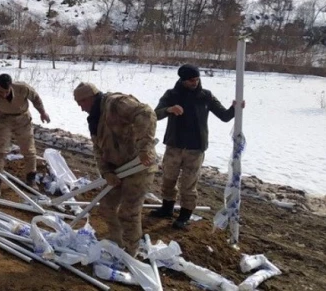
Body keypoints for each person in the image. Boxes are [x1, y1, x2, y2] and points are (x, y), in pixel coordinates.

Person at [151, 64, 244, 229]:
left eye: (197, 79)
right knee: (168, 179)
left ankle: (185, 216)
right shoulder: (171, 94)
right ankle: (166, 208)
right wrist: (170, 109)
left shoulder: (205, 96)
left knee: (189, 183)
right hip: (174, 146)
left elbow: (224, 116)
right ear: (183, 80)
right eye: (191, 80)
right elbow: (154, 115)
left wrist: (235, 109)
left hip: (196, 148)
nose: (195, 82)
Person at [73, 82, 157, 256]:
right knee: (107, 206)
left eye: (81, 104)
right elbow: (98, 149)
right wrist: (106, 172)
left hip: (138, 166)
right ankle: (116, 243)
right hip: (117, 169)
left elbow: (146, 114)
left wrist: (144, 147)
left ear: (89, 98)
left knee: (128, 213)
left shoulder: (116, 103)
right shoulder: (94, 119)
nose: (81, 109)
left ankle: (130, 252)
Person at [0, 74, 50, 197]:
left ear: (11, 86)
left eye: (6, 91)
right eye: (1, 91)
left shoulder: (22, 88)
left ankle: (31, 179)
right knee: (0, 151)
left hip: (23, 118)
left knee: (29, 150)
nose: (4, 94)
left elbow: (36, 98)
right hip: (4, 120)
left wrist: (43, 112)